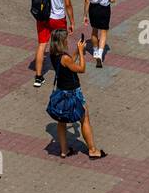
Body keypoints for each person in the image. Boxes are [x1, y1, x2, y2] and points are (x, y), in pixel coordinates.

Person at [44, 28, 107, 160]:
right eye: (66, 38)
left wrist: (77, 53)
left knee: (61, 121)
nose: (67, 40)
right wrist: (81, 52)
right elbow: (81, 69)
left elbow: (68, 62)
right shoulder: (65, 58)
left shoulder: (54, 54)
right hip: (73, 92)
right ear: (61, 41)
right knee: (84, 118)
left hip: (60, 91)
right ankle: (92, 150)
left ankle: (64, 150)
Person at [32, 0, 72, 88]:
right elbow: (67, 4)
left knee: (42, 45)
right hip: (58, 18)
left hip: (43, 17)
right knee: (60, 46)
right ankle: (61, 73)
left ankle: (38, 77)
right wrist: (72, 21)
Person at [81, 0, 115, 67]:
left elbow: (87, 1)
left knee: (94, 30)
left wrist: (85, 15)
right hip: (105, 9)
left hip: (93, 8)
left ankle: (95, 51)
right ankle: (100, 54)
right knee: (104, 32)